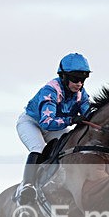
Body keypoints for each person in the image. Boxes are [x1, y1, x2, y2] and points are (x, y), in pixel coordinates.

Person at [14, 53, 93, 205]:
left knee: (69, 144)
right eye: (75, 79)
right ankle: (27, 186)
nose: (79, 84)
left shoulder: (81, 93)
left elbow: (89, 115)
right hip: (32, 123)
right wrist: (71, 119)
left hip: (54, 125)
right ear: (63, 77)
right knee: (38, 147)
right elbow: (46, 122)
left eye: (82, 80)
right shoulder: (51, 90)